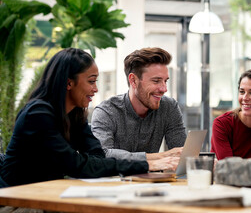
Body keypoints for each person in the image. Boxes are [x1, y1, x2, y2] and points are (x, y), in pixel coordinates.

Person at [0, 48, 177, 188]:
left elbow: (98, 156)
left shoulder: (74, 114)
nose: (96, 89)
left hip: (46, 193)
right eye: (91, 81)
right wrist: (146, 165)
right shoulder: (38, 114)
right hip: (17, 198)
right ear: (69, 83)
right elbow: (77, 166)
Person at [91, 47, 186, 166]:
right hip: (113, 182)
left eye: (165, 81)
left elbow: (181, 153)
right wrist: (162, 156)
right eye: (156, 81)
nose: (164, 89)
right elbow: (101, 154)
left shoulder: (169, 107)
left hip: (154, 182)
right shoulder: (106, 111)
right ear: (133, 80)